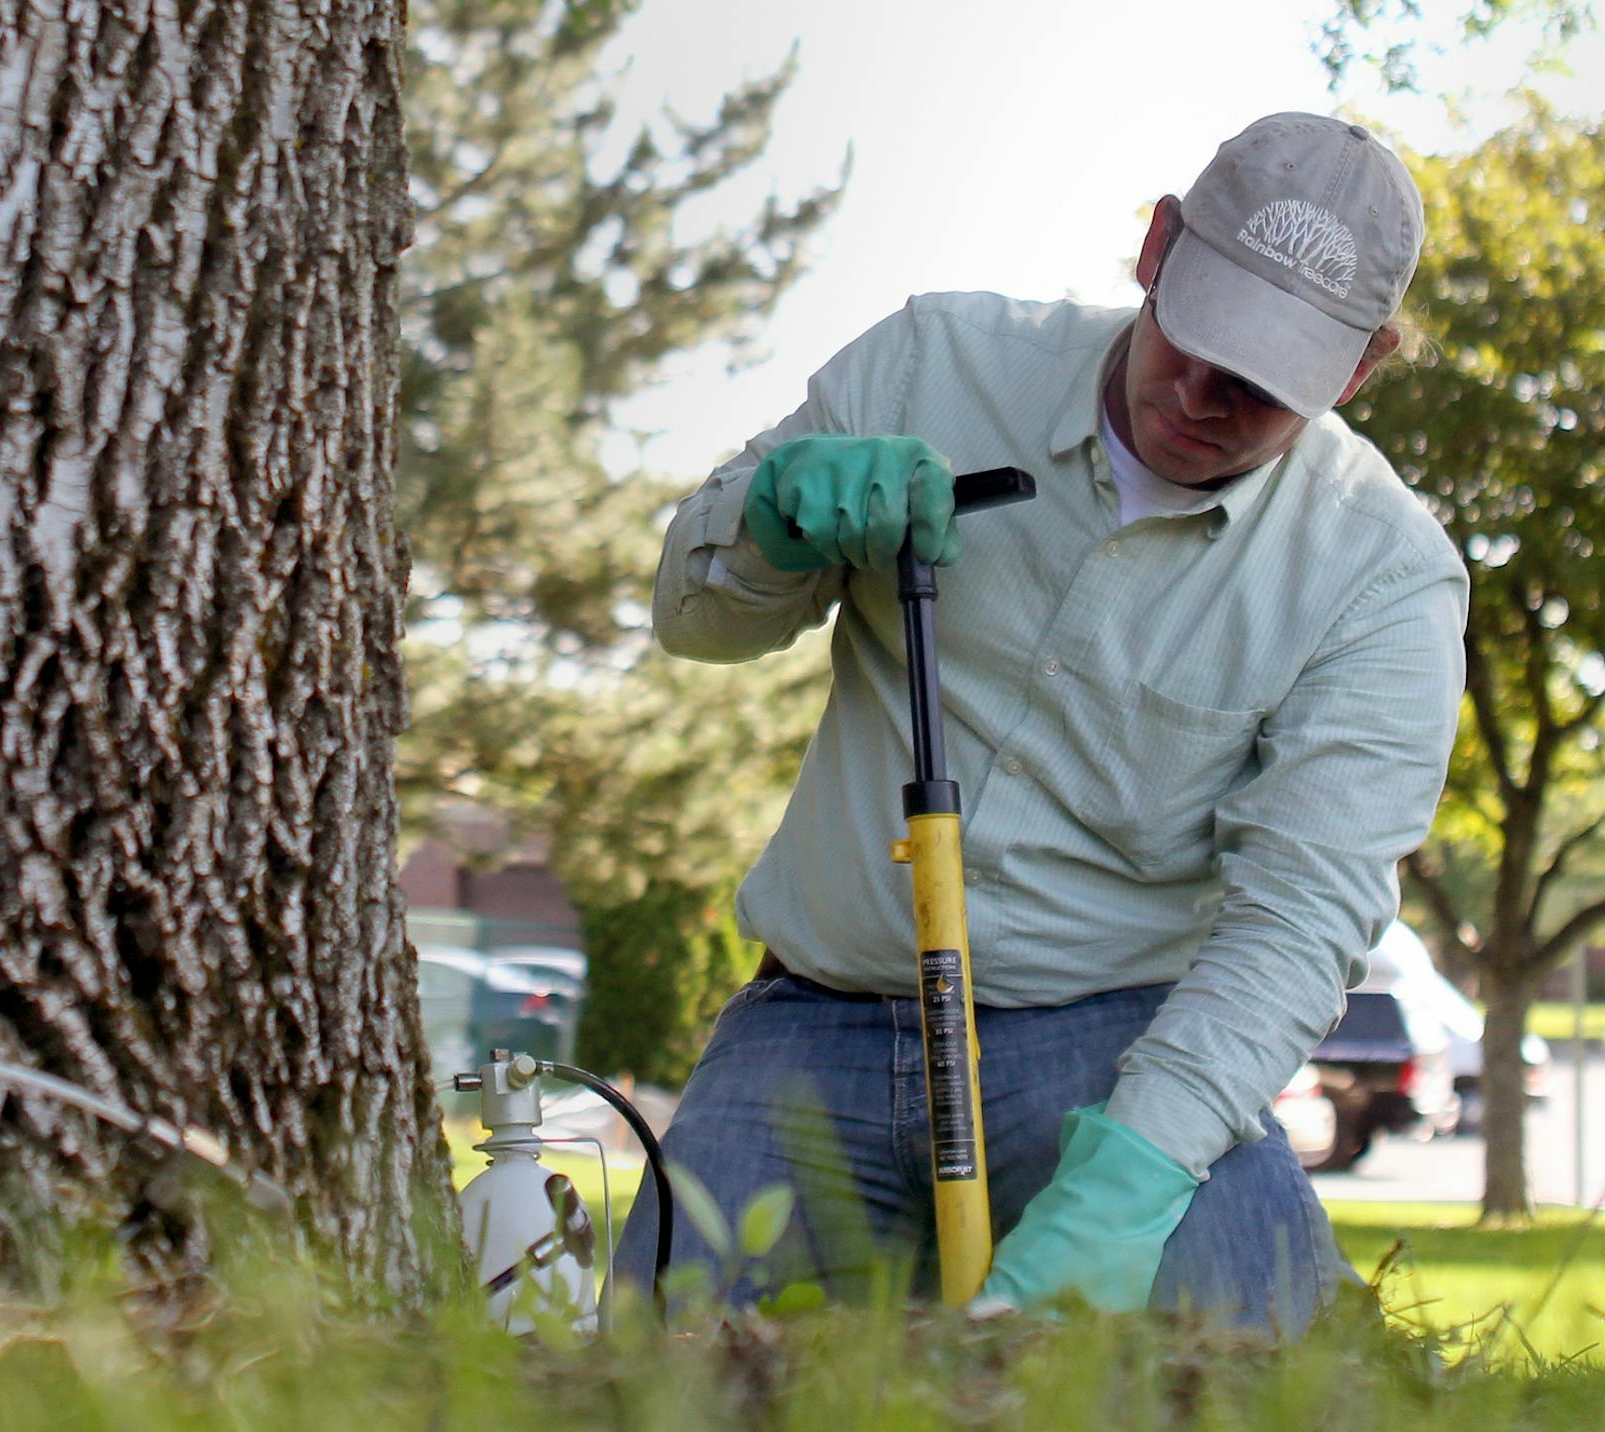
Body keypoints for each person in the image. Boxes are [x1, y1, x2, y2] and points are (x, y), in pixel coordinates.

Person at [611, 113, 1466, 1334]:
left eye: (1272, 384)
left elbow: (1299, 917)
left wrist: (1134, 1178)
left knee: (1260, 1365)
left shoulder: (1380, 576)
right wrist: (766, 523)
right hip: (820, 1011)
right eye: (1203, 340)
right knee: (651, 1373)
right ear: (1158, 247)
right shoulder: (932, 365)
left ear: (1364, 367)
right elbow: (693, 618)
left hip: (1112, 1045)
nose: (1211, 399)